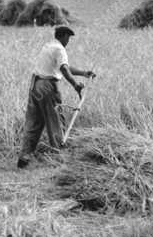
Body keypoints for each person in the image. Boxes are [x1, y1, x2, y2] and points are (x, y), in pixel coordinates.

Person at [17, 25, 96, 168]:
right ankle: (60, 157)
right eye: (68, 38)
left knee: (34, 122)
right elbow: (64, 69)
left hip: (35, 86)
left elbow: (64, 66)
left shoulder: (48, 46)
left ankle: (24, 156)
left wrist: (84, 73)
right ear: (64, 36)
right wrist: (75, 85)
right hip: (48, 87)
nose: (69, 41)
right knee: (56, 120)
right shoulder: (60, 49)